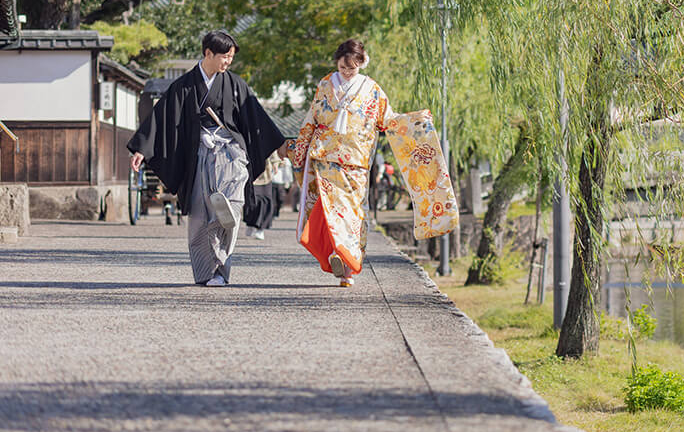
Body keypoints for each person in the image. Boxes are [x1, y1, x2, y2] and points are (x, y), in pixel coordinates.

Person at [290, 39, 458, 287]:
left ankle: (348, 264)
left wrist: (415, 121)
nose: (347, 72)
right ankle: (341, 259)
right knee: (332, 212)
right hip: (326, 156)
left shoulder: (372, 89)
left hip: (357, 160)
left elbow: (388, 120)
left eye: (352, 68)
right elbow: (311, 118)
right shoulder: (326, 84)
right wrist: (300, 149)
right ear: (337, 61)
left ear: (361, 64)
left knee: (354, 212)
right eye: (343, 67)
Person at [128, 30, 285, 287]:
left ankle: (222, 271)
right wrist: (142, 149)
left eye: (231, 57)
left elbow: (257, 118)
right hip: (200, 157)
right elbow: (161, 118)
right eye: (225, 56)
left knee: (230, 211)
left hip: (232, 157)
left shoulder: (236, 85)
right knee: (201, 215)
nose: (228, 62)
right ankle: (207, 272)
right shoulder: (184, 86)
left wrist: (280, 146)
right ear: (208, 53)